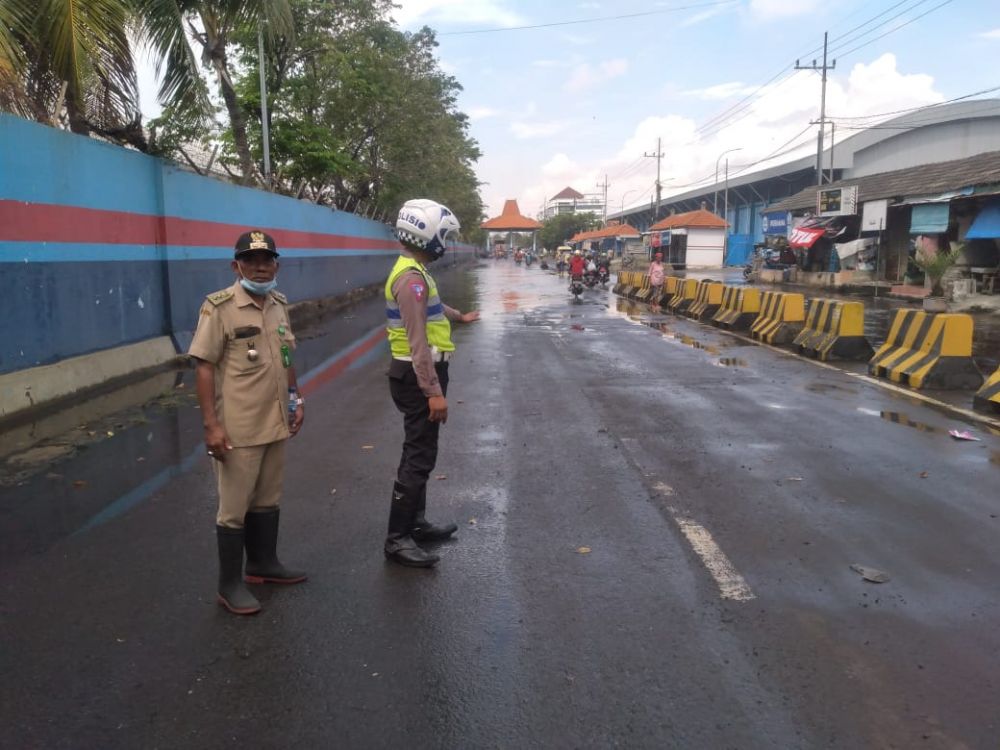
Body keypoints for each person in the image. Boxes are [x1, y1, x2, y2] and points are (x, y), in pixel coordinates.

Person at [189, 231, 306, 616]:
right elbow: (204, 366)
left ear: (277, 264)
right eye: (251, 259)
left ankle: (263, 564)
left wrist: (295, 398)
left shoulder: (278, 304)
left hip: (274, 420)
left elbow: (286, 354)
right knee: (234, 507)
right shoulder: (219, 307)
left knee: (267, 498)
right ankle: (229, 584)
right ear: (235, 265)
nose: (260, 266)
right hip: (238, 427)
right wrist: (212, 425)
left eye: (267, 259)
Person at [384, 199, 480, 567]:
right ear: (428, 235)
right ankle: (397, 539)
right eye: (445, 234)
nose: (447, 241)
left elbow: (434, 310)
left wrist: (461, 316)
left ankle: (416, 525)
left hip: (417, 373)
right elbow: (416, 341)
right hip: (416, 374)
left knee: (422, 452)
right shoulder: (411, 280)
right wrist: (434, 393)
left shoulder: (415, 272)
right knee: (418, 455)